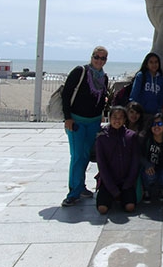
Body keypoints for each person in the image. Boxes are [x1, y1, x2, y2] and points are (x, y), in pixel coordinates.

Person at [61, 46, 109, 207]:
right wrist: (67, 118)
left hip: (93, 121)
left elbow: (101, 98)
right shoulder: (80, 72)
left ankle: (80, 186)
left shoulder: (104, 77)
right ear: (91, 57)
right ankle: (73, 192)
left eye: (103, 58)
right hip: (76, 121)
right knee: (77, 156)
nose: (99, 60)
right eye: (97, 57)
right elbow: (66, 94)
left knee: (86, 155)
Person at [95, 106, 140, 214]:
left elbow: (135, 161)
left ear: (125, 120)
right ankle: (113, 196)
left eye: (121, 117)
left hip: (125, 181)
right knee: (102, 209)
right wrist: (112, 188)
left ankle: (121, 197)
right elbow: (102, 165)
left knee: (130, 207)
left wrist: (128, 182)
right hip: (108, 181)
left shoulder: (131, 136)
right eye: (114, 117)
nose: (117, 120)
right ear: (109, 118)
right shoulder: (102, 137)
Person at [129, 52, 163, 118]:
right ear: (146, 64)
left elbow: (161, 96)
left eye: (156, 62)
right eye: (151, 62)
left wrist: (159, 109)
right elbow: (134, 94)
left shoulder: (161, 79)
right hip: (141, 113)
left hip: (155, 114)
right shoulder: (141, 76)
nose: (154, 64)